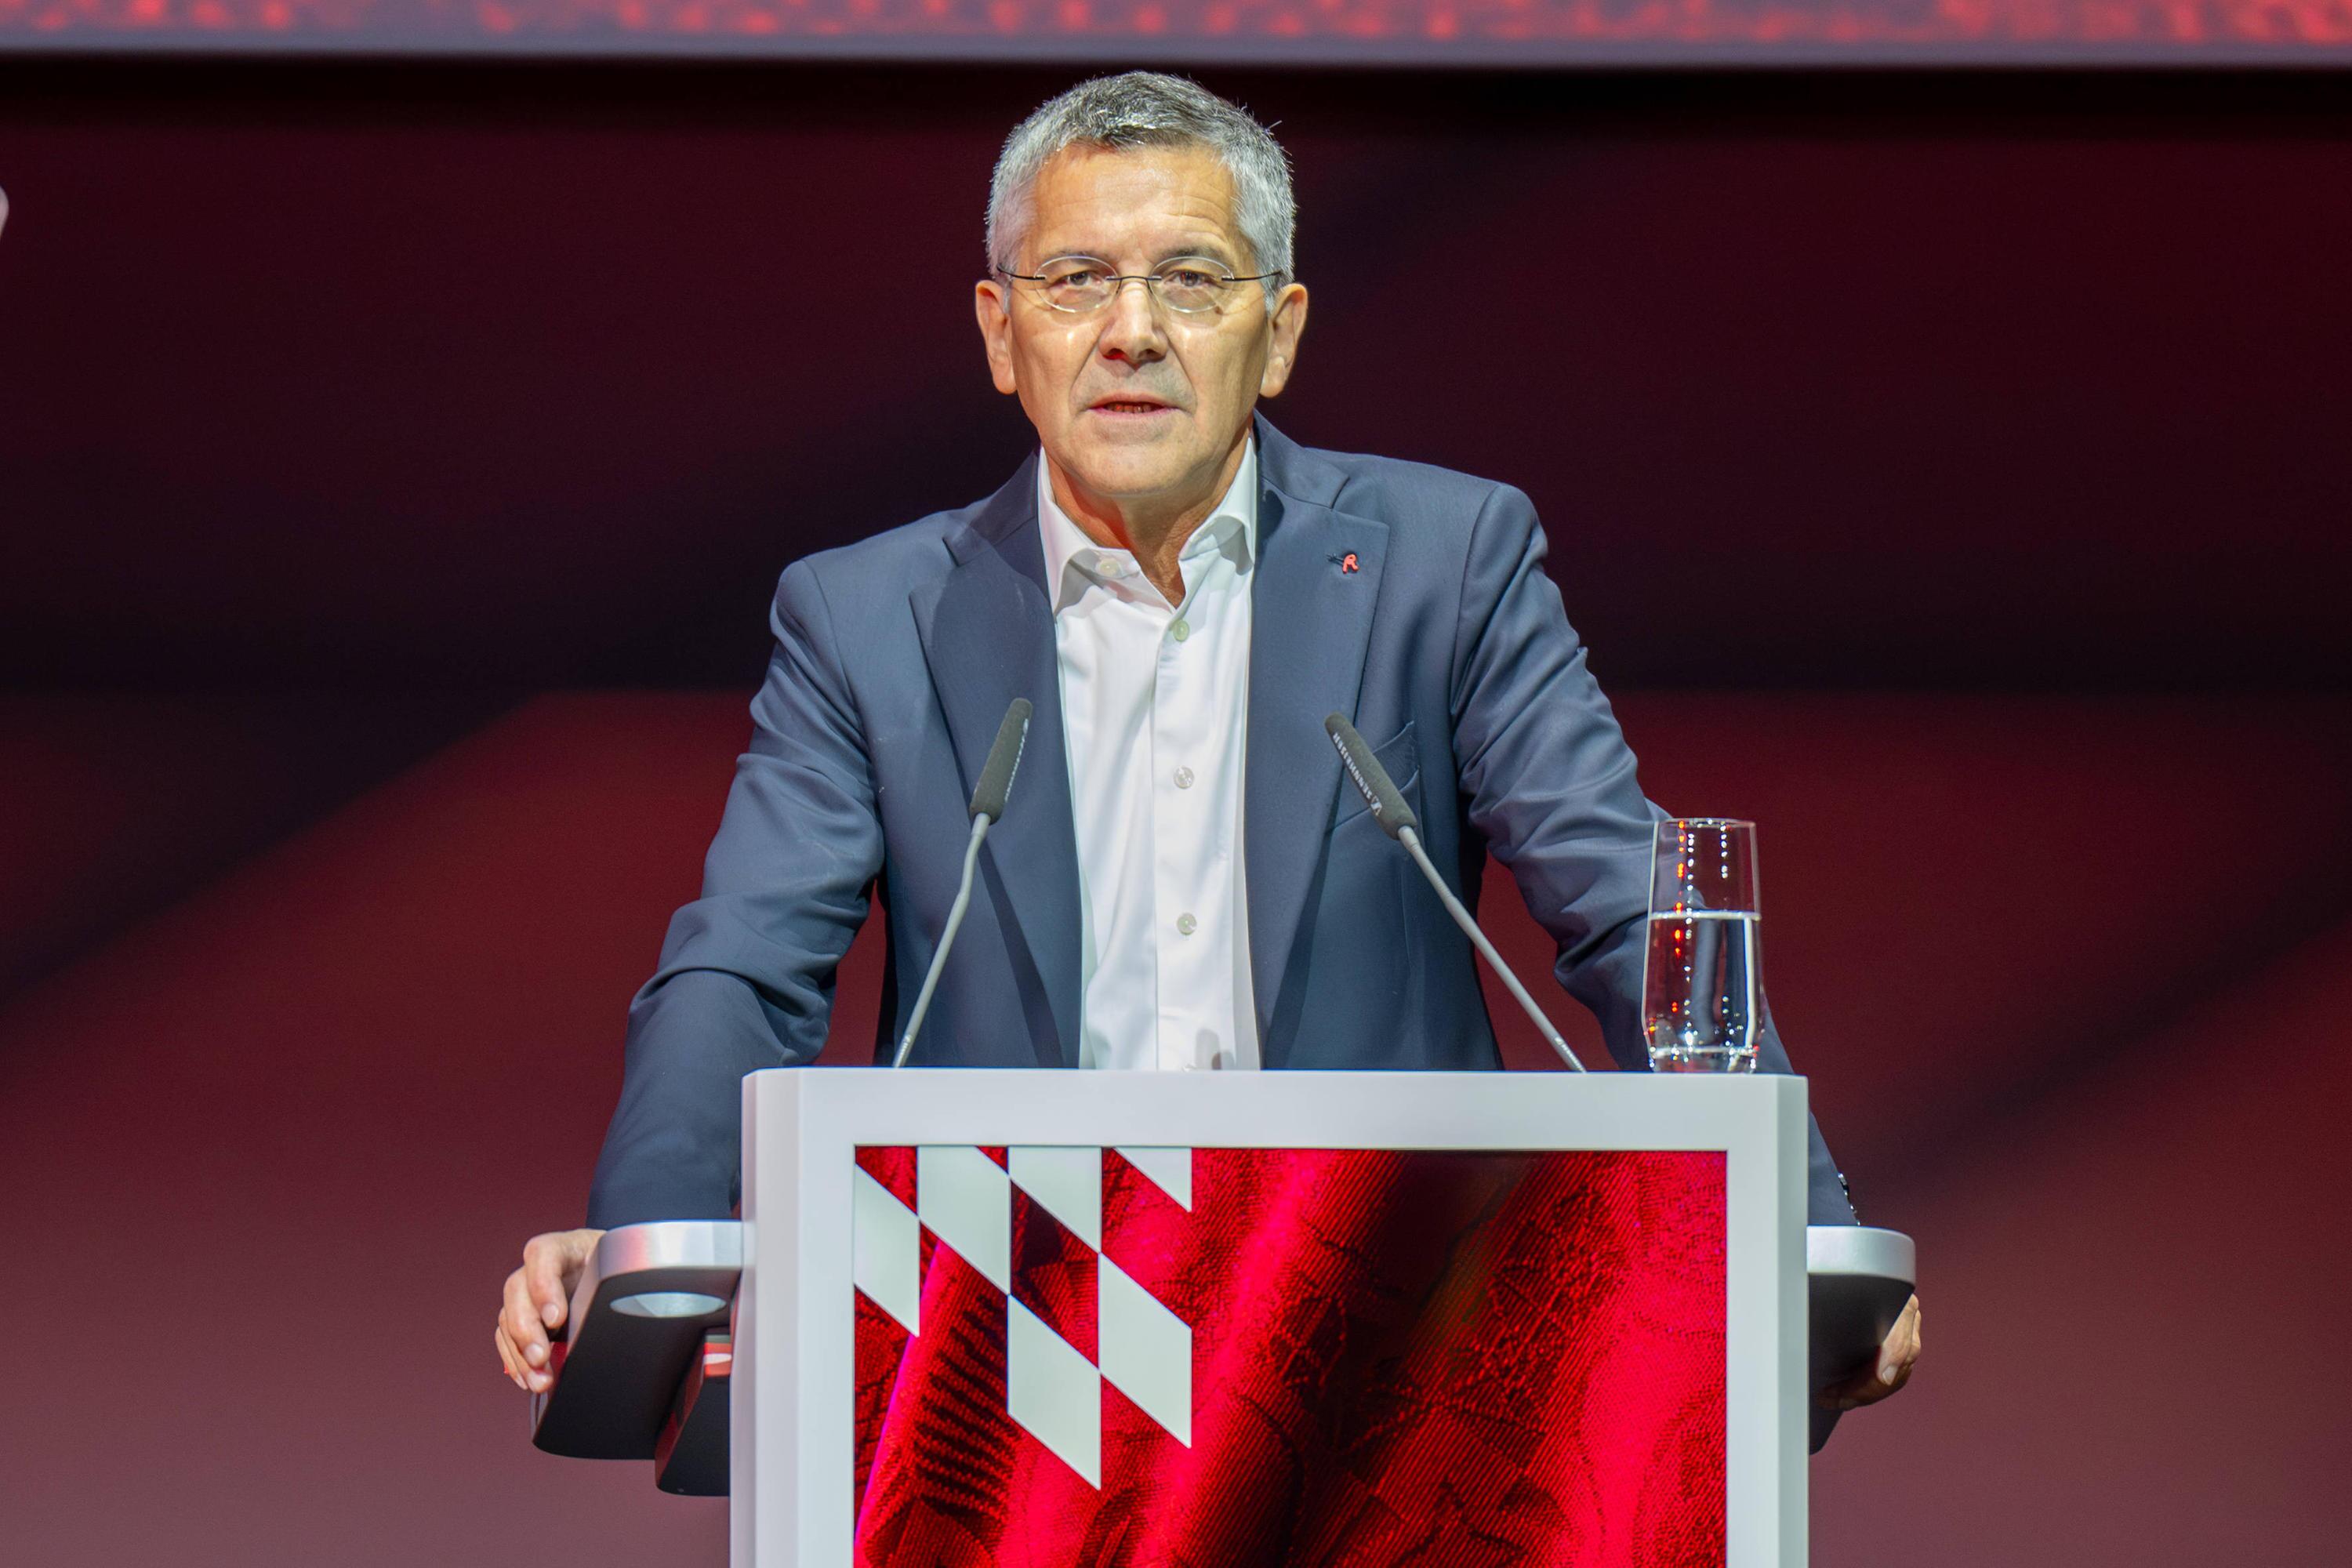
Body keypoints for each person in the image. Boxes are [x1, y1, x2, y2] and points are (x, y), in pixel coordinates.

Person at [494, 71, 1921, 1413]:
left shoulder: (1445, 561)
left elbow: (1627, 908)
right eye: (1075, 280)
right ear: (999, 332)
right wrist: (653, 1235)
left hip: (1390, 1336)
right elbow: (746, 963)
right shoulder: (869, 616)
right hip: (1016, 1349)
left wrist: (1800, 1224)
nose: (1132, 331)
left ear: (1280, 332)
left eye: (1190, 279)